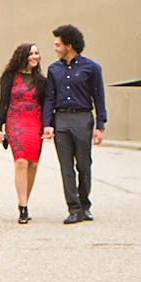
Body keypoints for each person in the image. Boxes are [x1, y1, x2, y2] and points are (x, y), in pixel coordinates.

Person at [41, 24, 107, 224]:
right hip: (61, 120)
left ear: (69, 45)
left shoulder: (92, 68)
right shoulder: (53, 69)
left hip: (83, 119)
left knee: (84, 165)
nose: (55, 48)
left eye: (58, 44)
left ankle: (85, 204)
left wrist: (100, 125)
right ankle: (73, 208)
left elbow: (99, 97)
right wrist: (48, 124)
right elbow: (49, 98)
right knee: (66, 167)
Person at [0, 42, 47, 224]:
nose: (34, 57)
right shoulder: (9, 77)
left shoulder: (41, 80)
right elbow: (3, 102)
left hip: (35, 122)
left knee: (32, 164)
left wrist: (48, 126)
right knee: (21, 161)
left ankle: (26, 200)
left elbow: (46, 105)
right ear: (22, 56)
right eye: (31, 53)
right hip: (15, 121)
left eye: (36, 53)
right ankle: (22, 207)